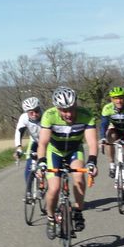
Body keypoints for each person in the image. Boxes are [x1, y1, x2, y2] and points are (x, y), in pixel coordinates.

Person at [35, 86, 98, 234]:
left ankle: (78, 211)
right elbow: (43, 143)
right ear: (57, 108)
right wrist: (41, 162)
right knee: (55, 188)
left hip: (74, 150)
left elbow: (92, 143)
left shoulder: (86, 115)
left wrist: (92, 162)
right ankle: (51, 218)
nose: (68, 113)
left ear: (76, 104)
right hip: (54, 152)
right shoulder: (49, 115)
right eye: (63, 110)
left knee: (79, 179)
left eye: (71, 108)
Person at [13, 96, 42, 191]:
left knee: (46, 165)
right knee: (29, 164)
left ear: (39, 109)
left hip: (49, 143)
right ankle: (29, 192)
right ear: (27, 113)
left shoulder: (46, 116)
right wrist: (18, 148)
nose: (34, 114)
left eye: (36, 111)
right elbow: (19, 132)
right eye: (31, 112)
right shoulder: (24, 118)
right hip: (34, 141)